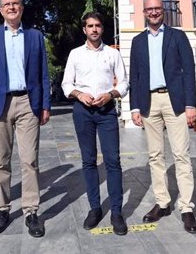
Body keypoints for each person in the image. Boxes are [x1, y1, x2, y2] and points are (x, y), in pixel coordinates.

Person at [0, 0, 51, 238]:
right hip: (0, 105)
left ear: (22, 7)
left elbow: (43, 73)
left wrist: (45, 105)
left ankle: (31, 211)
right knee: (1, 160)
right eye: (7, 4)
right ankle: (4, 208)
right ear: (1, 10)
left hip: (28, 103)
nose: (11, 7)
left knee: (30, 160)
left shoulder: (35, 36)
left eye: (15, 3)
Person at [129, 0, 196, 233]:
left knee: (181, 155)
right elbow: (135, 76)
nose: (154, 12)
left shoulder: (177, 36)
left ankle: (187, 208)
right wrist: (135, 107)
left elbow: (189, 70)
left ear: (163, 11)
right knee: (155, 156)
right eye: (149, 9)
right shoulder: (138, 41)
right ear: (144, 12)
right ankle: (162, 202)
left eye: (157, 8)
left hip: (175, 101)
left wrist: (191, 104)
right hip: (149, 102)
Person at [62, 12, 129, 235]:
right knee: (89, 161)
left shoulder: (112, 53)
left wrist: (111, 94)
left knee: (113, 160)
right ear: (84, 30)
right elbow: (65, 84)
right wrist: (78, 94)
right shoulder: (75, 54)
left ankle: (117, 212)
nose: (94, 29)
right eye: (90, 26)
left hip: (106, 110)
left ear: (102, 28)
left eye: (97, 26)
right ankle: (94, 208)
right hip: (83, 111)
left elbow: (124, 82)